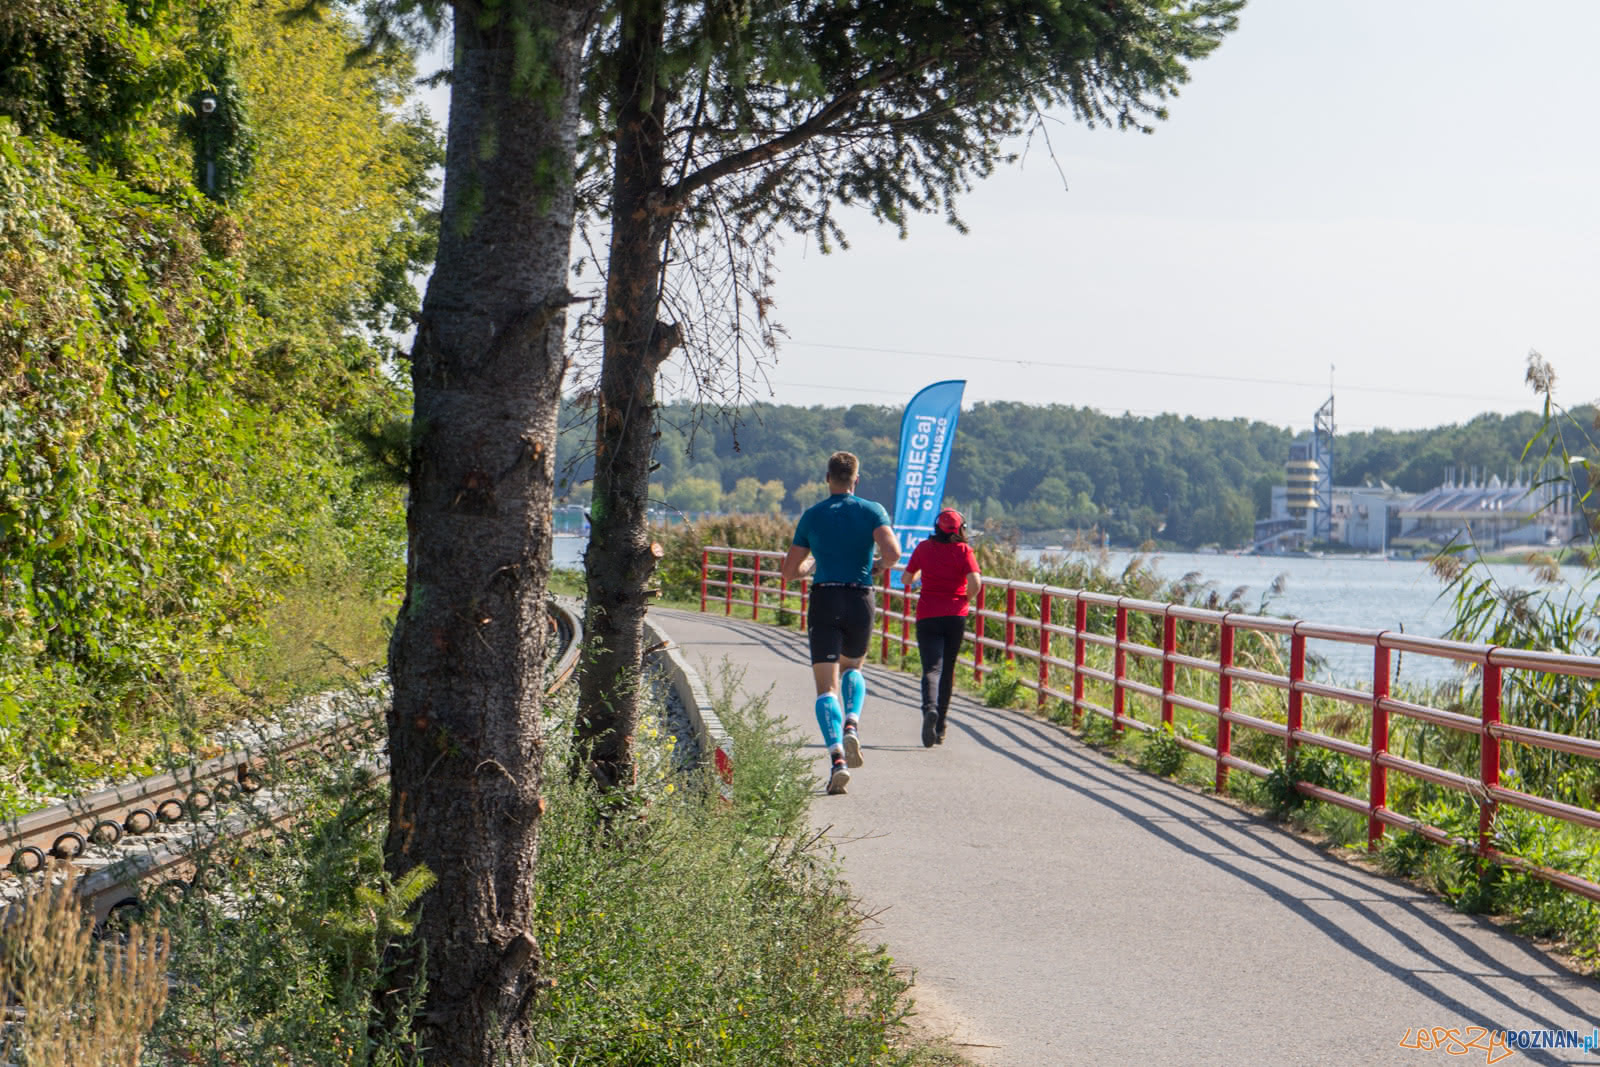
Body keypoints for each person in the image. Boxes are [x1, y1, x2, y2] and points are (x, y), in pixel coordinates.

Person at [781, 451, 900, 795]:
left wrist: (812, 565)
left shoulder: (813, 516)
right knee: (853, 669)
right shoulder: (872, 510)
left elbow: (789, 572)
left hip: (825, 598)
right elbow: (892, 555)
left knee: (825, 687)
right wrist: (876, 565)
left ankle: (837, 760)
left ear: (827, 478)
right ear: (855, 480)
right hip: (860, 597)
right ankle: (853, 723)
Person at [900, 508, 982, 747]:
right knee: (948, 670)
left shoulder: (924, 548)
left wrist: (920, 577)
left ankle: (929, 709)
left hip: (927, 614)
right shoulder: (964, 551)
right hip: (955, 615)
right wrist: (966, 599)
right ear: (960, 530)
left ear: (936, 527)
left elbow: (906, 579)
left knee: (931, 668)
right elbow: (976, 582)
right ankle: (941, 726)